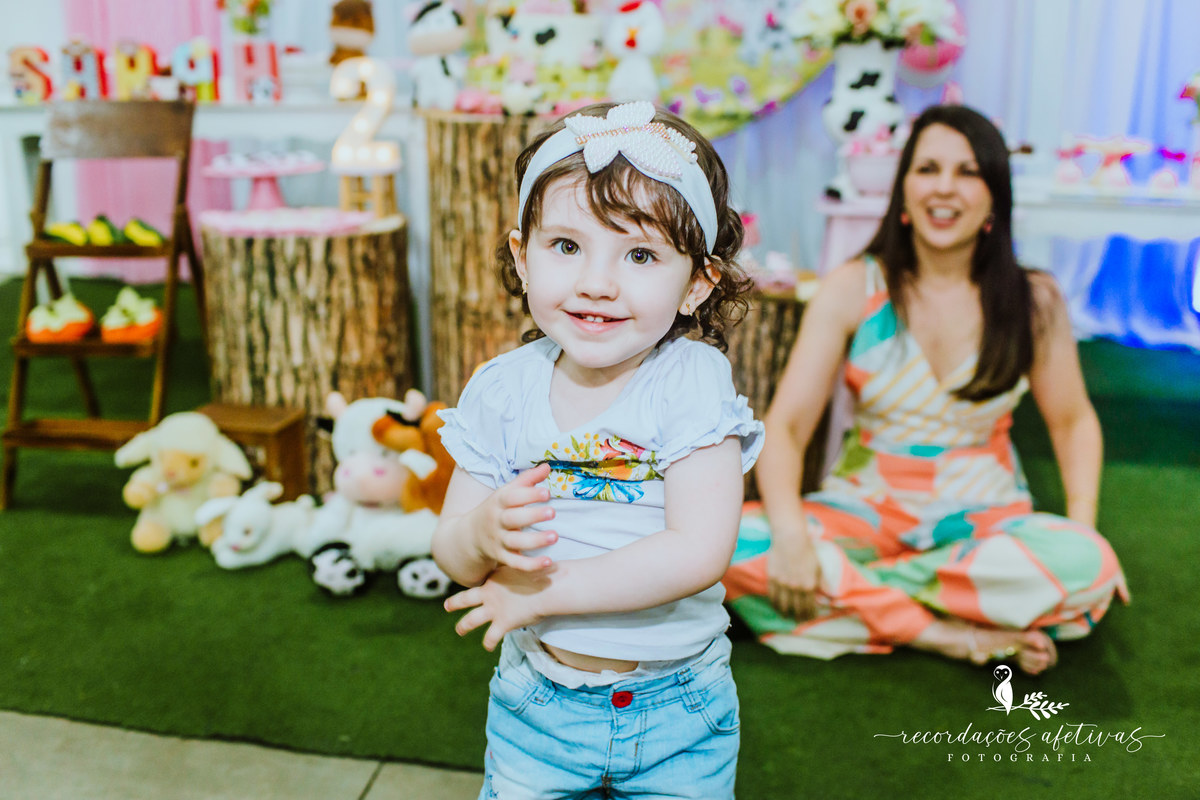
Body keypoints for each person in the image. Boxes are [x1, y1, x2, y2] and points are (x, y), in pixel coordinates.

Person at [722, 104, 1128, 677]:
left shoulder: (1033, 299)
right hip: (863, 511)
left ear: (995, 197)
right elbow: (785, 428)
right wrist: (790, 537)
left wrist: (1083, 526)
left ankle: (848, 595)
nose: (945, 188)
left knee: (1085, 562)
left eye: (968, 172)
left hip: (985, 525)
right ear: (903, 188)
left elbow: (1072, 421)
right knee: (725, 543)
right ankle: (948, 632)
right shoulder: (853, 287)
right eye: (927, 168)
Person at [432, 101, 764, 799]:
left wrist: (547, 594)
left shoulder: (691, 382)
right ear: (522, 256)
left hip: (679, 707)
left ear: (697, 283)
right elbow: (453, 557)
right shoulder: (501, 390)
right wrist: (480, 531)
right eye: (567, 246)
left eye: (640, 254)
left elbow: (698, 549)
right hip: (538, 707)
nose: (597, 282)